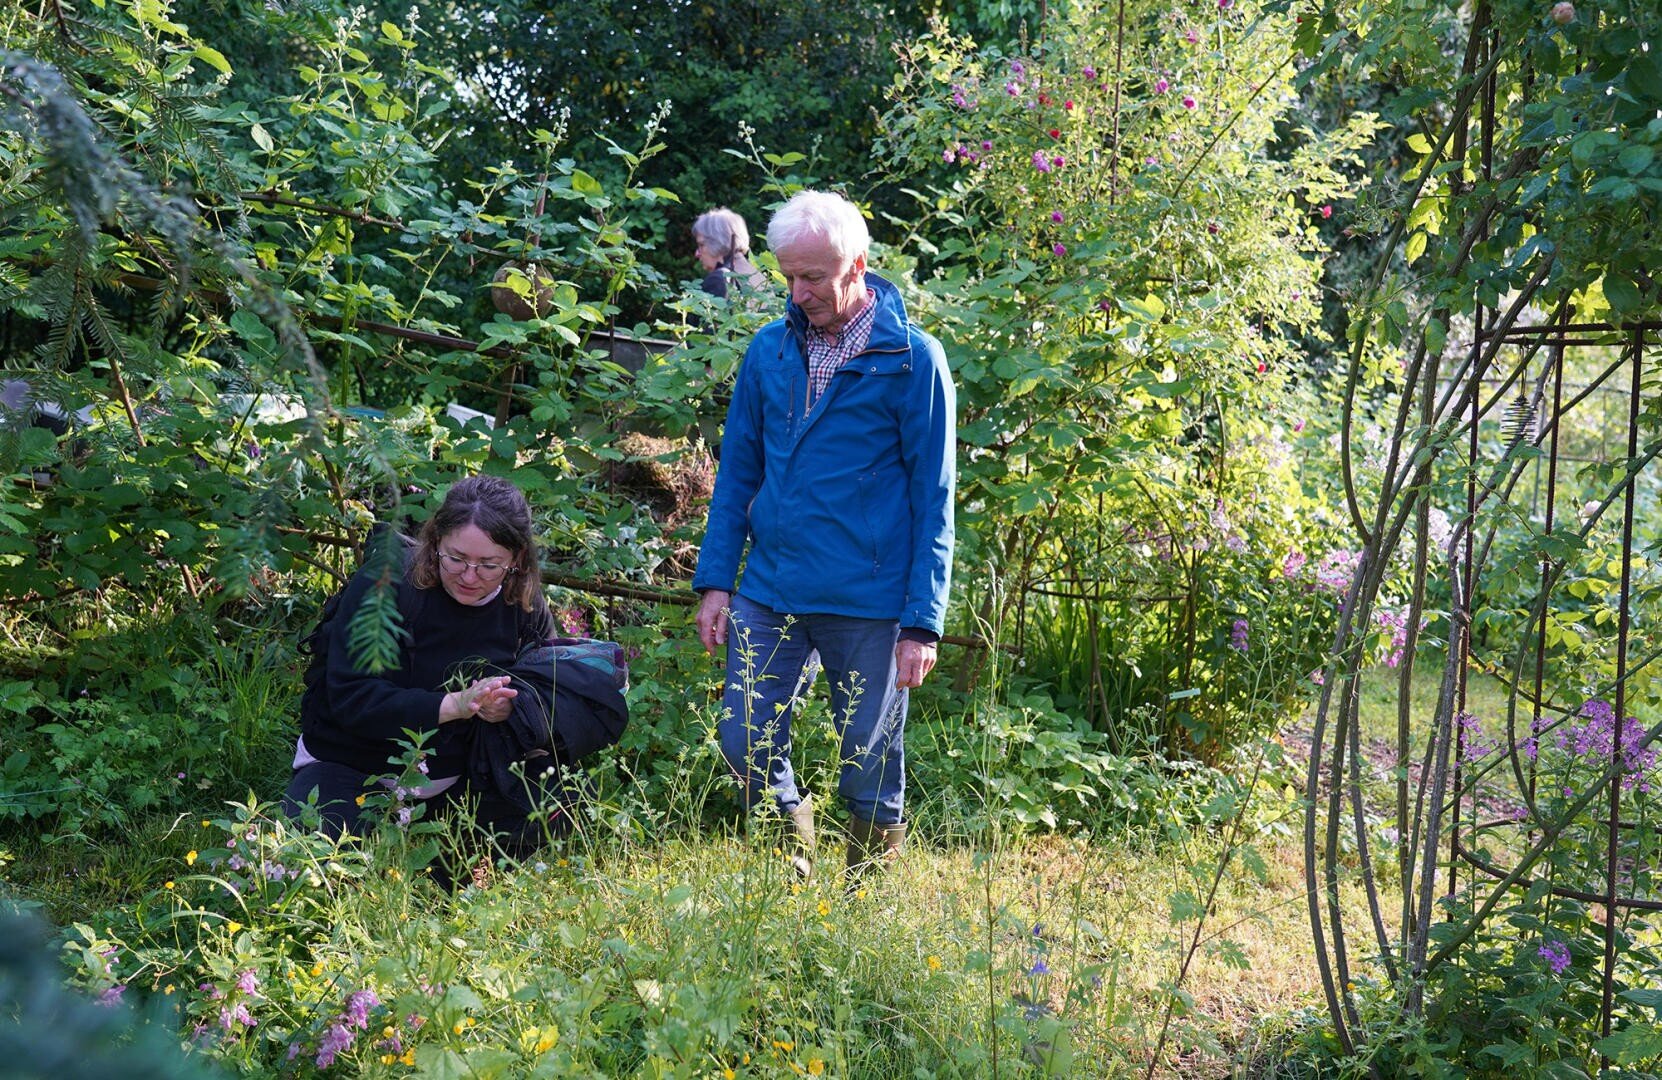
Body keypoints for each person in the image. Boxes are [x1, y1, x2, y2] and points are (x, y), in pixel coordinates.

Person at [691, 190, 956, 878]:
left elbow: (935, 500)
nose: (799, 291)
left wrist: (922, 623)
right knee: (742, 737)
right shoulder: (769, 352)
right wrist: (717, 579)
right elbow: (738, 473)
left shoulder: (912, 362)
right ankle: (792, 868)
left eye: (814, 277)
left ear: (858, 265)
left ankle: (866, 899)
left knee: (868, 758)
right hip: (770, 587)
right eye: (788, 276)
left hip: (869, 598)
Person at [284, 475, 572, 854]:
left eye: (488, 565)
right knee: (316, 857)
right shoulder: (385, 584)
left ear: (516, 559)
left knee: (554, 808)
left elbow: (551, 696)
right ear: (435, 541)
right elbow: (351, 697)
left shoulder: (524, 604)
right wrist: (453, 705)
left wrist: (511, 709)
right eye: (456, 559)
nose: (469, 577)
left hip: (461, 781)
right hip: (353, 766)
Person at [693, 207, 768, 300]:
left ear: (717, 242)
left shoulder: (718, 280)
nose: (697, 254)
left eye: (701, 245)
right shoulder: (760, 278)